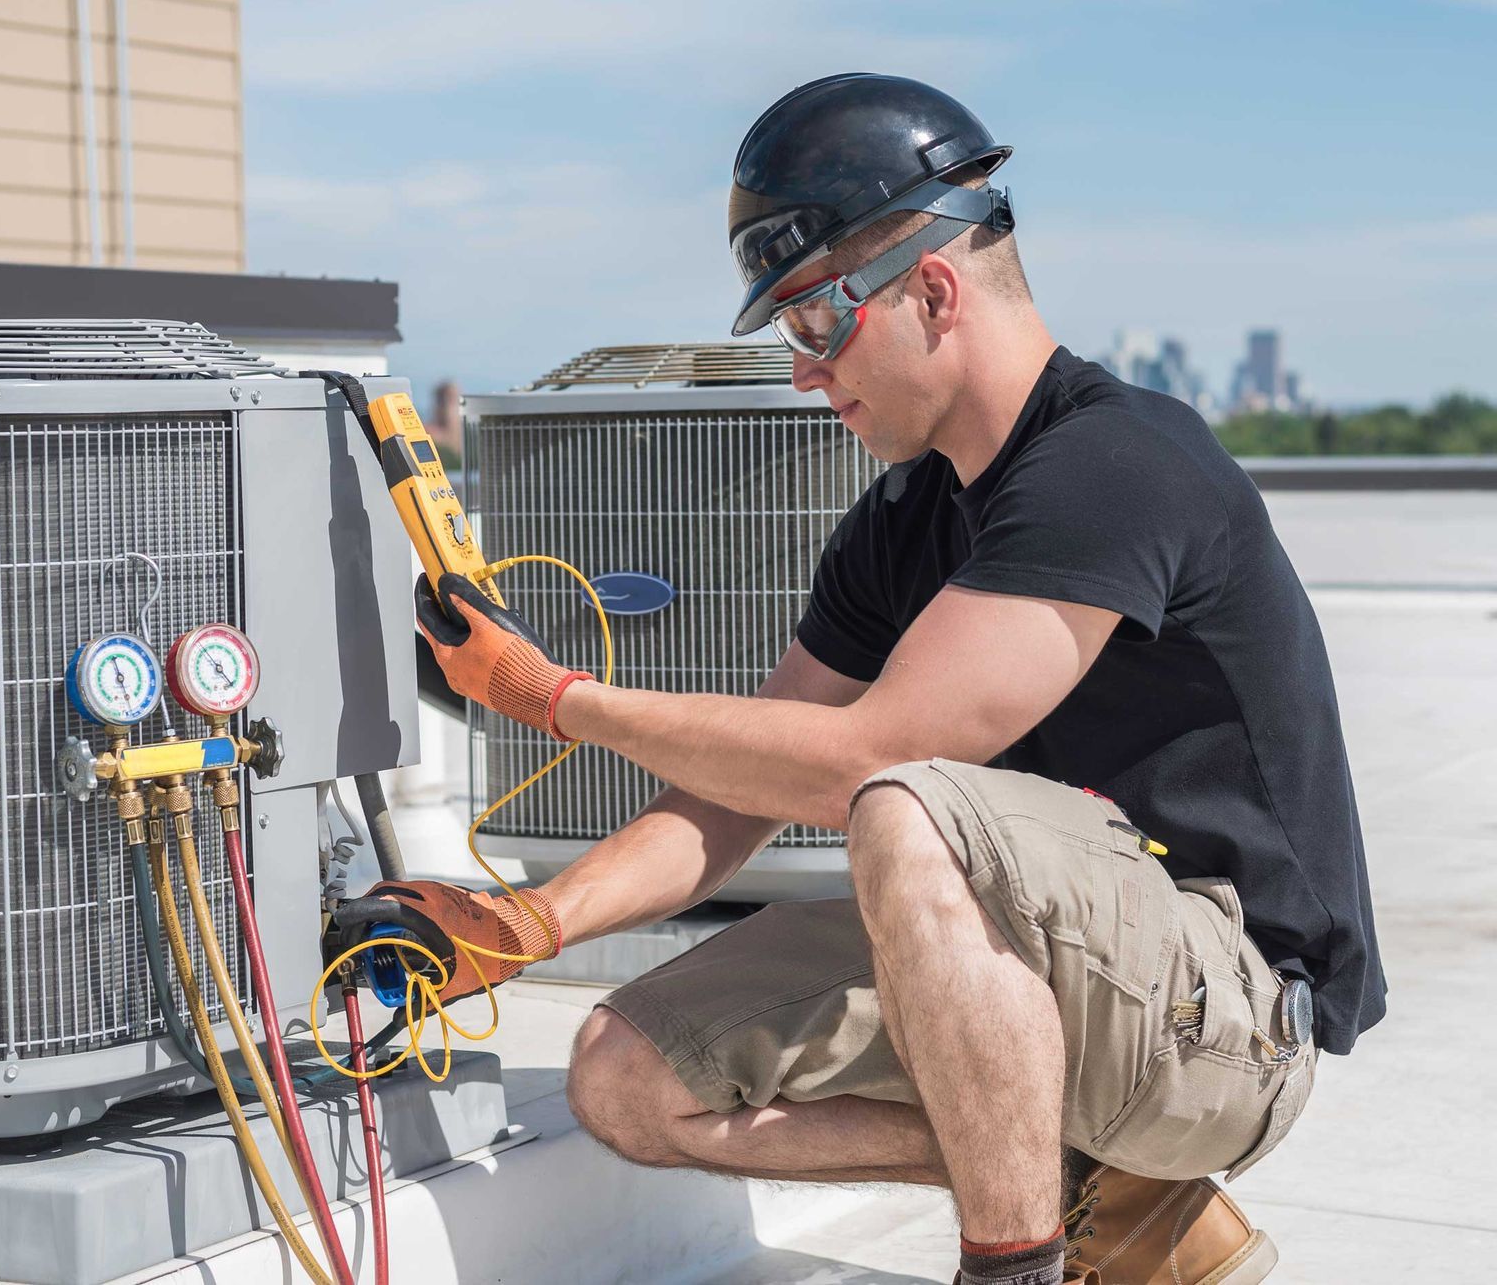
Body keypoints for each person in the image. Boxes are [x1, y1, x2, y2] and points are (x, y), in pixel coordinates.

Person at [345, 73, 1385, 1285]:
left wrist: (552, 696)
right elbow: (743, 785)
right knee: (626, 1074)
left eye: (811, 324)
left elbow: (859, 763)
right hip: (1072, 979)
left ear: (932, 289)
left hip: (1235, 1019)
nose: (802, 374)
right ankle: (1109, 1200)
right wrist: (535, 919)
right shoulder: (905, 517)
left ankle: (1014, 1268)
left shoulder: (1118, 463)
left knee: (902, 805)